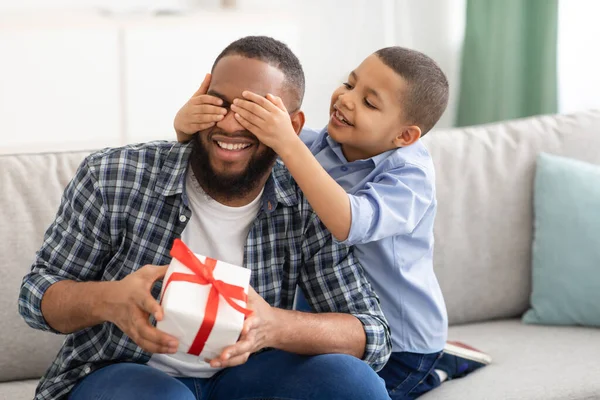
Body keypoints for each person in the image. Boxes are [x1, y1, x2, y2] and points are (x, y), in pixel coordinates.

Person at [18, 36, 393, 400]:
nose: (230, 125)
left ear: (291, 128)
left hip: (244, 376)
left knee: (352, 382)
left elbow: (372, 333)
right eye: (220, 104)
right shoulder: (113, 175)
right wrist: (109, 300)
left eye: (255, 111)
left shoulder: (307, 199)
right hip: (126, 373)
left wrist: (273, 326)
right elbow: (35, 297)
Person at [175, 46, 492, 399]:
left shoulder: (410, 178)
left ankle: (439, 368)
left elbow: (348, 222)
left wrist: (287, 142)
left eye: (370, 103)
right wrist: (185, 128)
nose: (347, 99)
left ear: (405, 136)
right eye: (349, 84)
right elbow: (234, 156)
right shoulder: (318, 145)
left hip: (401, 342)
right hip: (332, 325)